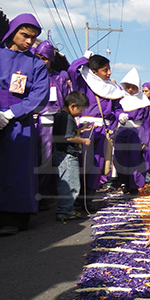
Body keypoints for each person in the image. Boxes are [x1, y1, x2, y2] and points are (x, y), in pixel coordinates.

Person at [0, 13, 50, 236]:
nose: (29, 42)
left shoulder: (36, 64)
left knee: (17, 169)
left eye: (33, 38)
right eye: (25, 35)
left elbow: (39, 95)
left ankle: (15, 217)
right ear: (12, 31)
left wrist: (12, 113)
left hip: (19, 122)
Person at [68, 52, 122, 204]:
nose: (109, 72)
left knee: (97, 166)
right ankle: (77, 199)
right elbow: (72, 69)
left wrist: (120, 116)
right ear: (94, 71)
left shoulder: (112, 88)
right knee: (83, 164)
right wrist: (85, 59)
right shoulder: (83, 83)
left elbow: (117, 108)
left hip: (103, 131)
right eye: (105, 70)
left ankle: (88, 200)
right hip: (86, 129)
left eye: (109, 69)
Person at [33, 40, 71, 210]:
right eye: (38, 57)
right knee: (33, 159)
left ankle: (45, 194)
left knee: (50, 160)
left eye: (45, 58)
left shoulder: (60, 79)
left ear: (51, 61)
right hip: (32, 122)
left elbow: (67, 102)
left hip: (54, 124)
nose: (42, 61)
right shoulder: (29, 76)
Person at [53, 91, 91, 221]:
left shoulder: (61, 115)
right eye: (80, 110)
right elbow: (68, 137)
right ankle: (65, 210)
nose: (81, 113)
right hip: (67, 155)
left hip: (62, 154)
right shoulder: (67, 117)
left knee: (68, 182)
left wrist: (80, 130)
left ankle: (66, 209)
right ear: (73, 106)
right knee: (71, 184)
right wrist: (84, 141)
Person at [113, 68, 150, 196]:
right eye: (128, 87)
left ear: (138, 87)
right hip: (122, 131)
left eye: (133, 87)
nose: (130, 90)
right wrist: (119, 115)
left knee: (135, 160)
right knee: (120, 158)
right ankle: (124, 182)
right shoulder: (120, 98)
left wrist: (145, 139)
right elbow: (115, 110)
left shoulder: (144, 101)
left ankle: (134, 185)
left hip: (137, 131)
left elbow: (146, 121)